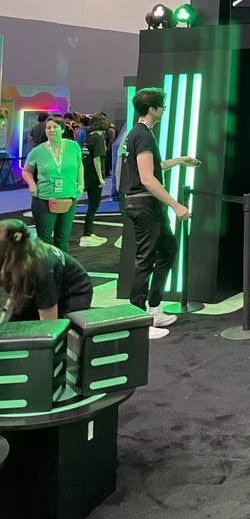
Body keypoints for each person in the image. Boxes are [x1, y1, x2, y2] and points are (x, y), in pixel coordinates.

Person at [120, 87, 199, 339]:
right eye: (162, 105)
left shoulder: (139, 133)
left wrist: (180, 160)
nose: (165, 109)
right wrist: (176, 205)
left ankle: (153, 309)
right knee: (145, 260)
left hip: (147, 205)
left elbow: (155, 167)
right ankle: (137, 321)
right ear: (152, 108)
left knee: (168, 250)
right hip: (145, 205)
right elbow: (147, 178)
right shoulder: (142, 135)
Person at [0, 219, 92, 321]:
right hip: (36, 281)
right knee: (14, 325)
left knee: (58, 326)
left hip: (72, 292)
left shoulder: (41, 268)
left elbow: (49, 322)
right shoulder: (14, 253)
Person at [21, 116, 83, 252]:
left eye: (55, 127)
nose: (52, 130)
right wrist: (32, 184)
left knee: (62, 240)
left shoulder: (73, 146)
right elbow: (26, 171)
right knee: (45, 241)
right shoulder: (37, 151)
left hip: (68, 197)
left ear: (62, 129)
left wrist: (81, 185)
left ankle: (62, 265)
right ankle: (45, 265)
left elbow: (80, 166)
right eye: (48, 127)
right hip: (44, 199)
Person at [80, 116, 108, 248]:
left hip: (86, 174)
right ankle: (87, 235)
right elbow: (97, 159)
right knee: (93, 206)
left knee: (92, 206)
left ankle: (89, 233)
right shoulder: (99, 138)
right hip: (94, 177)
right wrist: (101, 178)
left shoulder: (89, 137)